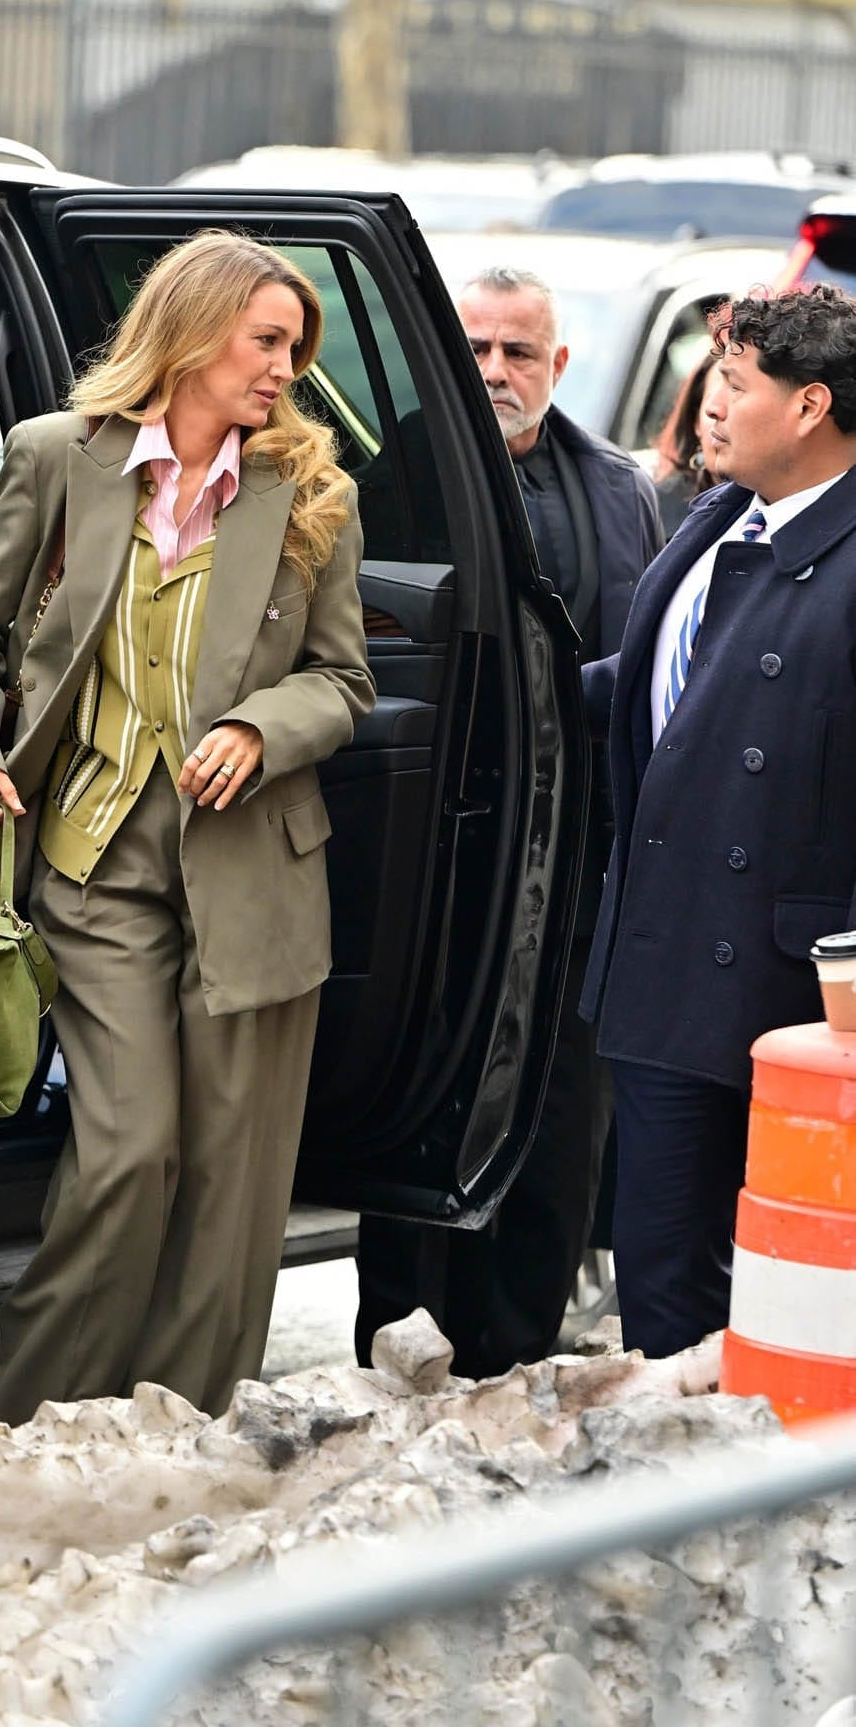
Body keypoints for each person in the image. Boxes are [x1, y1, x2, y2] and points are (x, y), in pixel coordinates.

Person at [0, 230, 375, 1425]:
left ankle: (181, 1440)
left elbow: (342, 680)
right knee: (128, 1154)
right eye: (265, 340)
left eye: (296, 348)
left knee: (231, 1190)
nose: (284, 369)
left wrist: (263, 726)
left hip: (253, 881)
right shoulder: (58, 456)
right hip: (91, 860)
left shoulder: (309, 490)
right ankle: (34, 1431)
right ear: (192, 330)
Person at [355, 264, 661, 1378]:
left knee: (561, 1127)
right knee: (424, 1120)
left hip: (574, 866)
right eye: (474, 348)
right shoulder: (385, 479)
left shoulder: (617, 489)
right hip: (435, 866)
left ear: (556, 364)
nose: (493, 370)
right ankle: (400, 1370)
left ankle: (522, 1366)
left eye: (517, 351)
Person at [582, 284, 856, 1357]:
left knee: (780, 1296)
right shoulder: (716, 511)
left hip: (785, 987)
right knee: (656, 1276)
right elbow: (671, 687)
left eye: (735, 385)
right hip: (664, 950)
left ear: (808, 406)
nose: (710, 403)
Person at [653, 350, 726, 538]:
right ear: (695, 420)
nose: (720, 412)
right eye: (714, 401)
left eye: (739, 394)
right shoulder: (651, 511)